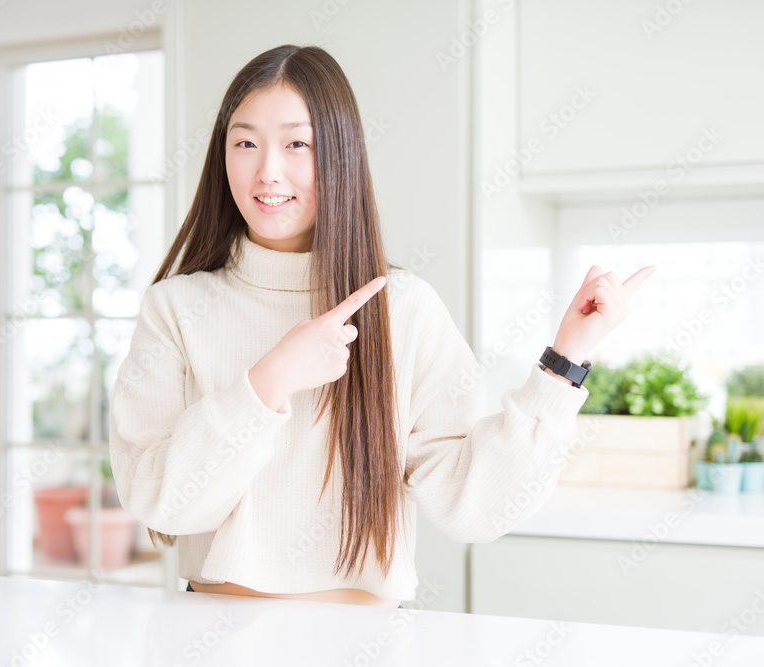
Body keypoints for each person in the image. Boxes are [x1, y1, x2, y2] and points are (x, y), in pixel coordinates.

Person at [108, 44, 655, 608]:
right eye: (245, 143)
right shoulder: (175, 308)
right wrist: (267, 382)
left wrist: (565, 362)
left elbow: (477, 507)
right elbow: (159, 500)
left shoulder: (404, 308)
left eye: (299, 144)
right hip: (209, 634)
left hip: (366, 642)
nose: (267, 170)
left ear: (342, 155)